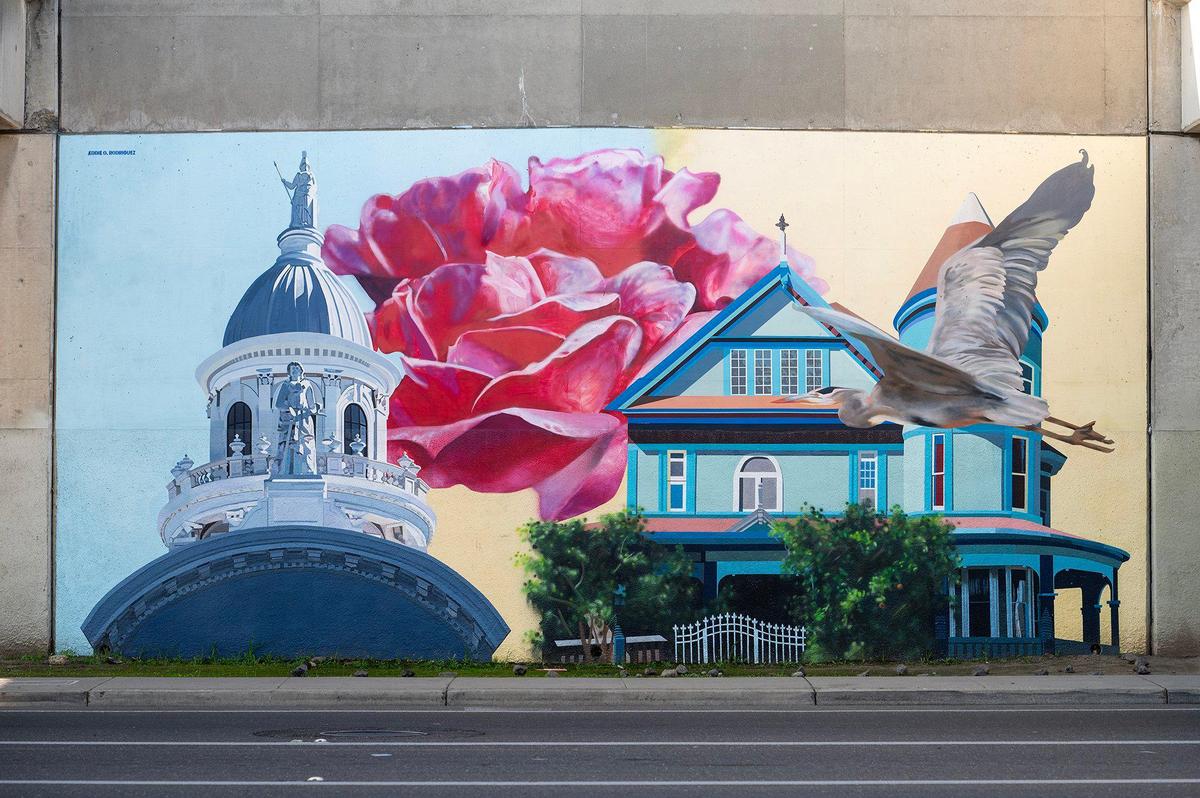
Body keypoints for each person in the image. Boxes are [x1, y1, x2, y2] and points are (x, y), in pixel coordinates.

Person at [274, 361, 321, 476]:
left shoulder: (307, 384)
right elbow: (279, 403)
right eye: (292, 368)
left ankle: (308, 468)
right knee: (286, 444)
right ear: (289, 372)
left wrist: (316, 408)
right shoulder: (286, 385)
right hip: (288, 420)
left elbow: (311, 405)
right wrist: (290, 408)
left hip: (303, 420)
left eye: (296, 368)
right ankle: (284, 469)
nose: (294, 370)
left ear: (301, 370)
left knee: (306, 442)